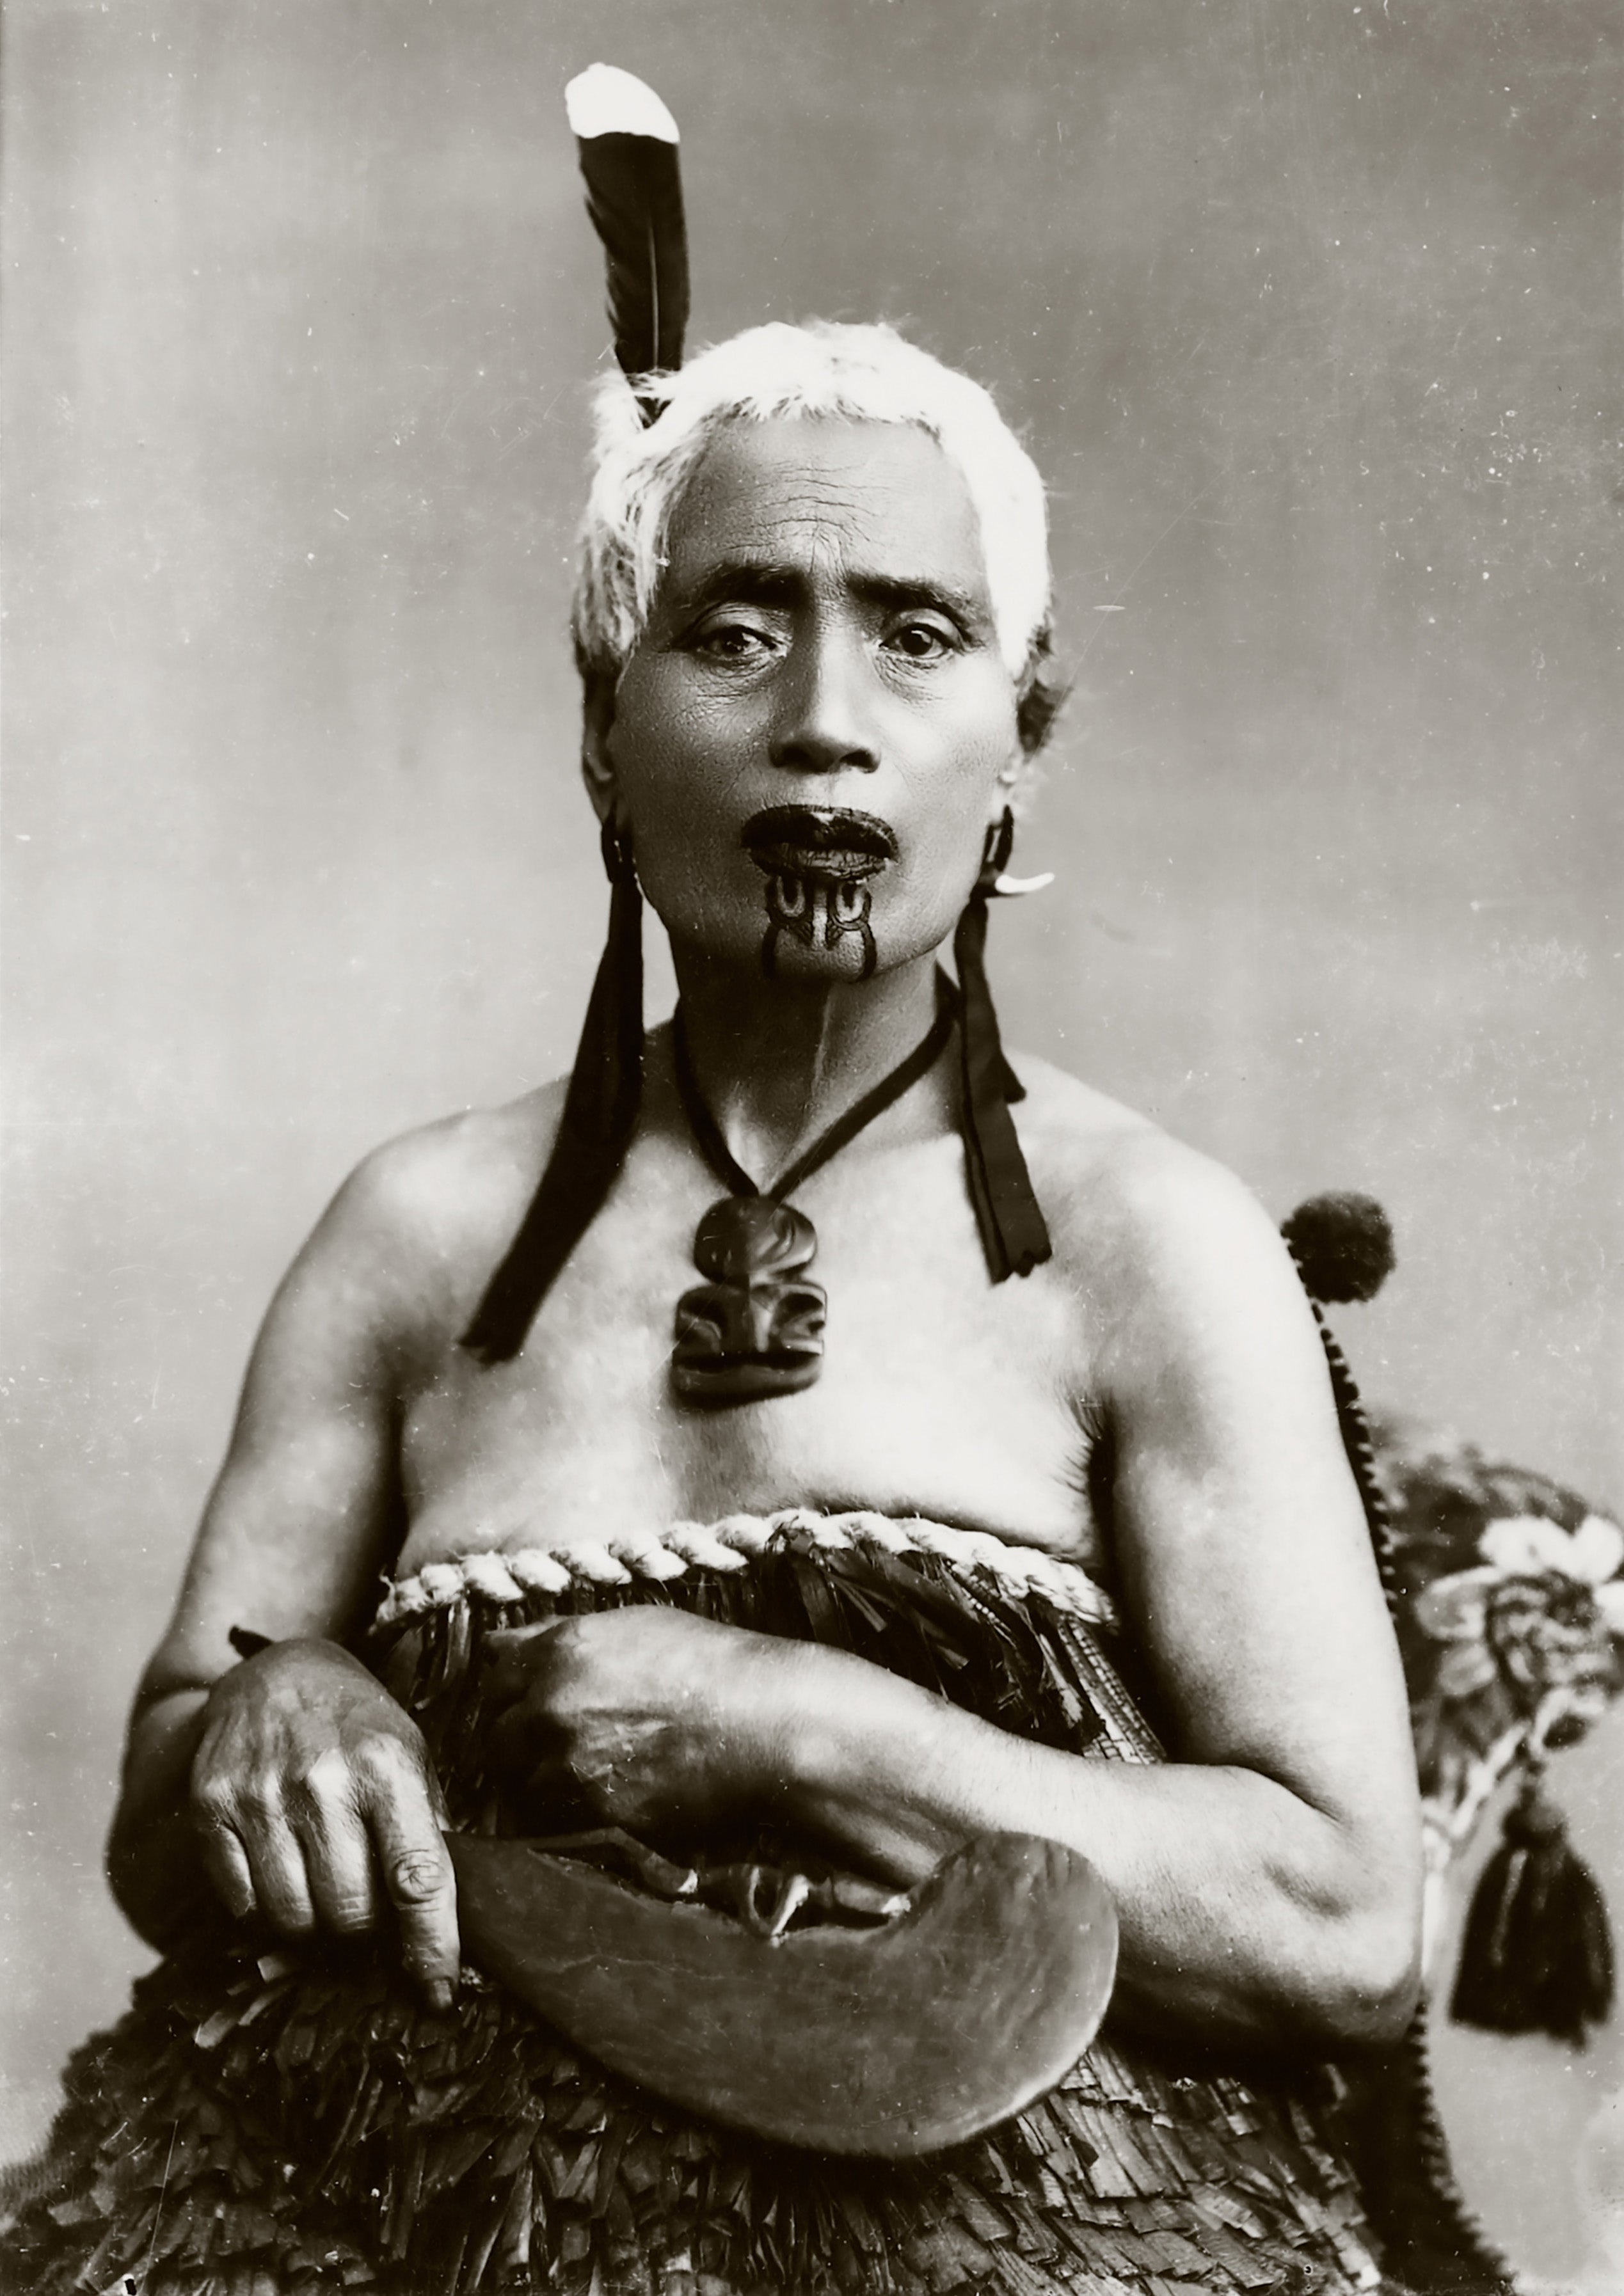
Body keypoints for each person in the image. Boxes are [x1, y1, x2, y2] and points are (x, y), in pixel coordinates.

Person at [4, 322, 1433, 2296]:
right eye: (739, 631)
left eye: (919, 636)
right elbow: (165, 1832)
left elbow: (1345, 1924)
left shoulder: (1149, 1249)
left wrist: (794, 1723)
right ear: (604, 717)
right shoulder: (418, 1233)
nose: (824, 719)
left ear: (1026, 728)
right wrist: (276, 1704)